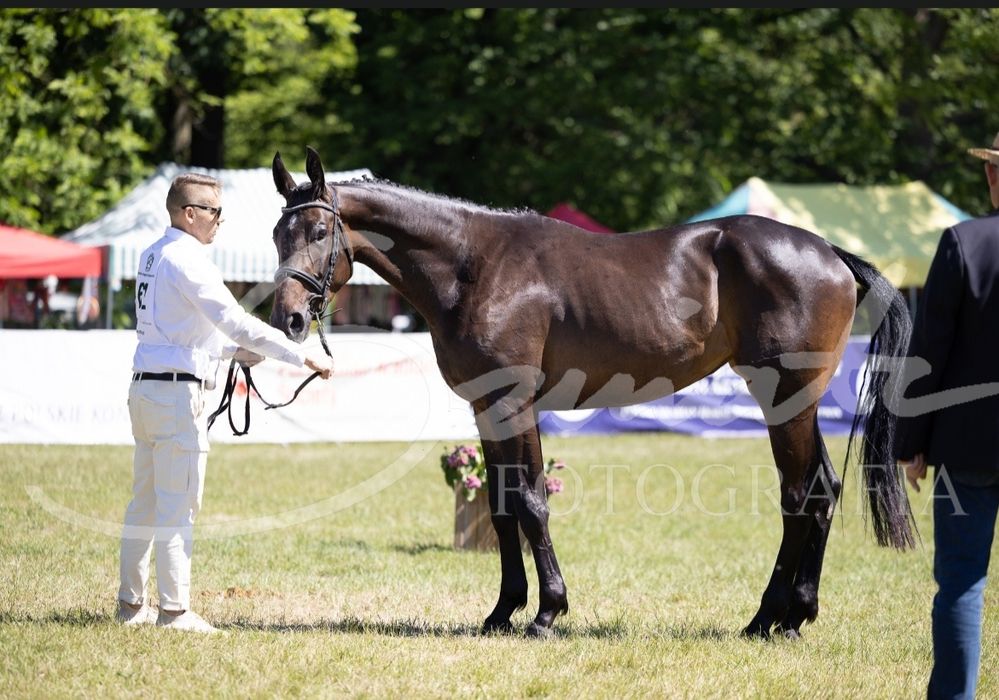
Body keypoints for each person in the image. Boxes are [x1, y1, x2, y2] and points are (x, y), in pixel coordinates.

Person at [117, 172, 334, 633]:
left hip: (147, 387)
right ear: (189, 214)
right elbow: (235, 321)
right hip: (176, 394)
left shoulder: (153, 254)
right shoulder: (189, 259)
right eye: (213, 211)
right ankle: (174, 612)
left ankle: (131, 604)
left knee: (144, 503)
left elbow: (183, 331)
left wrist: (235, 352)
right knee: (178, 505)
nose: (219, 221)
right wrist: (299, 354)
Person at [896, 130, 999, 699]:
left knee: (961, 584)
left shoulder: (964, 242)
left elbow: (929, 352)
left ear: (992, 176)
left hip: (969, 445)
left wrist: (911, 441)